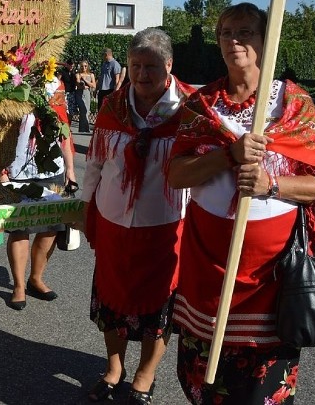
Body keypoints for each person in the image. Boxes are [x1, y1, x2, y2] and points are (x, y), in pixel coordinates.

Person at [167, 3, 315, 404]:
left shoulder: (292, 103)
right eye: (226, 32)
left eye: (246, 32)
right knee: (204, 375)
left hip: (272, 272)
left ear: (267, 40)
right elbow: (176, 175)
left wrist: (271, 184)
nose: (234, 41)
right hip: (208, 261)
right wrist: (229, 155)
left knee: (263, 385)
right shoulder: (201, 105)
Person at [82, 28, 196, 404]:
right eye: (135, 66)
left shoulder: (192, 110)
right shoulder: (113, 107)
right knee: (111, 304)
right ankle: (114, 368)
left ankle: (145, 377)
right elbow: (96, 163)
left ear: (169, 66)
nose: (142, 74)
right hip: (114, 225)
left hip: (167, 230)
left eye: (150, 66)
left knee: (157, 309)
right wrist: (85, 209)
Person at [2, 75, 78, 311]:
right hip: (17, 169)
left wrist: (71, 169)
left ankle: (36, 278)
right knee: (20, 229)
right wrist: (0, 169)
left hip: (52, 168)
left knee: (50, 228)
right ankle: (18, 286)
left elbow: (63, 129)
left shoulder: (54, 83)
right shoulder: (9, 80)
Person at [75, 60, 97, 133]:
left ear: (87, 67)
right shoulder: (78, 74)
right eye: (82, 66)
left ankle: (85, 129)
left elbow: (94, 85)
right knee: (83, 110)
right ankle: (83, 128)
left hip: (87, 93)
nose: (83, 67)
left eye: (85, 66)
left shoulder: (91, 75)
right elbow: (78, 84)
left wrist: (85, 80)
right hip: (79, 93)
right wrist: (84, 85)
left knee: (87, 111)